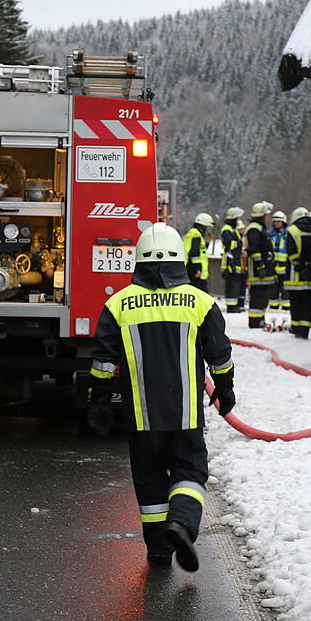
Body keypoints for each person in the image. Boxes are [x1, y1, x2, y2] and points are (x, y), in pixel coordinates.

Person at [87, 223, 236, 572]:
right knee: (190, 470)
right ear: (180, 261)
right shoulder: (200, 303)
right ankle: (181, 525)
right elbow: (220, 354)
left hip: (141, 417)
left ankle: (158, 550)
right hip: (185, 416)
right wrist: (225, 387)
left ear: (137, 263)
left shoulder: (118, 304)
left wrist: (97, 400)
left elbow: (103, 361)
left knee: (150, 478)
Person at [284, 207, 311, 339]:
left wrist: (300, 266)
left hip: (295, 275)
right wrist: (310, 266)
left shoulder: (292, 231)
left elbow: (291, 252)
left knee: (296, 303)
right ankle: (305, 330)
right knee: (308, 303)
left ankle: (296, 328)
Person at [243, 202, 276, 329]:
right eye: (267, 215)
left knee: (263, 296)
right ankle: (255, 322)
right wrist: (260, 265)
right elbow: (254, 249)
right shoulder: (254, 229)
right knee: (257, 296)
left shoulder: (259, 227)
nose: (268, 217)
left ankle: (260, 319)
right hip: (259, 271)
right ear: (262, 215)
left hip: (264, 269)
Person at [219, 207, 245, 313]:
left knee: (236, 284)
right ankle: (231, 306)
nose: (238, 220)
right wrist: (239, 243)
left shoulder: (231, 229)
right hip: (230, 262)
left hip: (235, 261)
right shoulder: (226, 229)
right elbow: (229, 244)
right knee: (232, 284)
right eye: (237, 218)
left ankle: (234, 305)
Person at [182, 213, 213, 293]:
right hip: (194, 270)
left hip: (189, 268)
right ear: (203, 226)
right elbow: (194, 254)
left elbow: (199, 251)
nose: (207, 229)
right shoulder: (196, 235)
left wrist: (207, 243)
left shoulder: (193, 234)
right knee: (202, 295)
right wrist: (197, 269)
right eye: (206, 227)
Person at [267, 211, 289, 311]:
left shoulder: (288, 233)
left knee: (285, 285)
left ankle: (286, 306)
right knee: (273, 286)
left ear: (283, 222)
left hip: (284, 264)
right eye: (275, 222)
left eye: (279, 222)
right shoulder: (269, 233)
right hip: (273, 263)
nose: (277, 223)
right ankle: (273, 305)